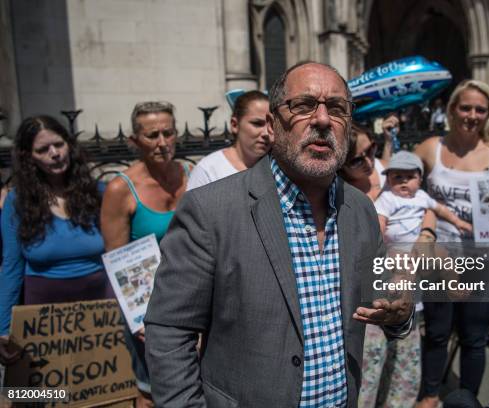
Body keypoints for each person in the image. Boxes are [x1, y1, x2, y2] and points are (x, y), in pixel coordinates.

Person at [144, 61, 413, 407]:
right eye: (302, 106)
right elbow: (169, 331)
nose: (321, 120)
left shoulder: (360, 210)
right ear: (272, 125)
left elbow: (384, 304)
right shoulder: (211, 210)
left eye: (336, 109)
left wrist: (401, 312)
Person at [400, 79, 489, 408]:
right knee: (436, 331)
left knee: (474, 337)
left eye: (480, 109)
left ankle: (466, 401)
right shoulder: (429, 148)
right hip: (442, 257)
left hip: (488, 260)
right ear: (451, 110)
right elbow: (406, 189)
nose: (472, 115)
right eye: (465, 107)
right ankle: (430, 394)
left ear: (488, 114)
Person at [101, 101, 191, 407]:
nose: (163, 143)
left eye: (168, 132)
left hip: (192, 298)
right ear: (134, 141)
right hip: (147, 308)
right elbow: (117, 261)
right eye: (153, 135)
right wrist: (138, 318)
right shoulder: (120, 189)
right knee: (150, 390)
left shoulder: (191, 174)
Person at [0, 115, 108, 364]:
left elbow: (120, 254)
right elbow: (11, 268)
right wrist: (4, 329)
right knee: (41, 395)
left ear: (69, 145)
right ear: (29, 156)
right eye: (43, 149)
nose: (54, 153)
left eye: (59, 145)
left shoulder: (99, 193)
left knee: (97, 391)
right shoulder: (18, 202)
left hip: (99, 312)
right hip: (42, 314)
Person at [339, 127, 431, 408]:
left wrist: (427, 234)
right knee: (367, 373)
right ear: (341, 163)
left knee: (403, 370)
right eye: (358, 159)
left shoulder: (388, 172)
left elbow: (426, 208)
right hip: (370, 294)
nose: (369, 162)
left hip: (406, 287)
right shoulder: (340, 194)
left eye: (372, 150)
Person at [376, 150, 472, 243]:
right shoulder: (387, 198)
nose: (404, 180)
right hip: (394, 248)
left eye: (410, 177)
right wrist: (379, 242)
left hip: (419, 244)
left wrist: (458, 222)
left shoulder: (422, 196)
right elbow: (380, 220)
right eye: (397, 177)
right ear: (388, 180)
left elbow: (440, 209)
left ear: (420, 181)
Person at [187, 90, 272, 190]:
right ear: (234, 125)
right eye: (257, 123)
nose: (266, 133)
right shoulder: (208, 170)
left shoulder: (278, 168)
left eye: (272, 125)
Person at [338, 122, 391, 200]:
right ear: (341, 165)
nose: (369, 163)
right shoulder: (339, 196)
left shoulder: (388, 170)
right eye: (357, 161)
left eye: (370, 150)